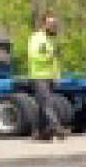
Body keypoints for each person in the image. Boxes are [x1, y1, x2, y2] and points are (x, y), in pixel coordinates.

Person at [22, 13, 68, 141]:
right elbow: (33, 56)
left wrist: (57, 76)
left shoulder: (49, 40)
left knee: (42, 105)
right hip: (39, 76)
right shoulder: (36, 39)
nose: (54, 26)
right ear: (44, 24)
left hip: (49, 77)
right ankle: (57, 128)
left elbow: (54, 61)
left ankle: (37, 133)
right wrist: (50, 55)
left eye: (55, 24)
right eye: (51, 24)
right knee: (47, 104)